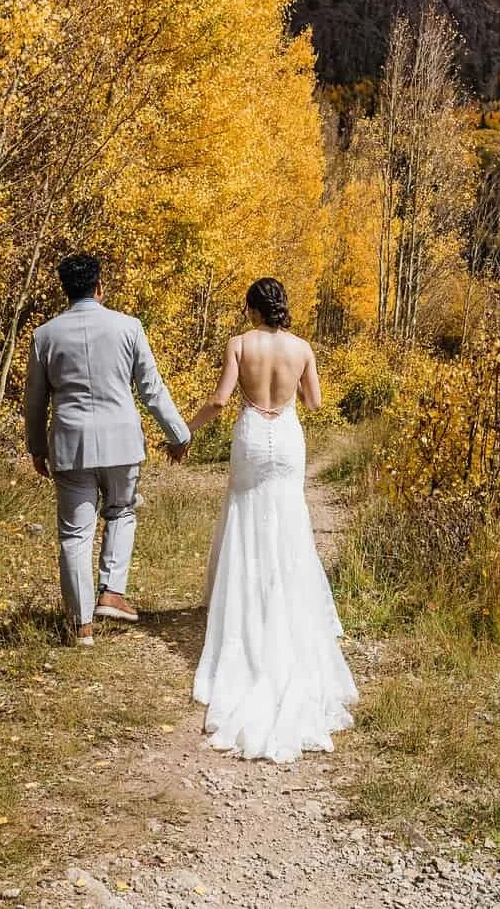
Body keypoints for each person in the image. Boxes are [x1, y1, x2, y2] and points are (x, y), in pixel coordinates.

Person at [185, 277, 357, 761]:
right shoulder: (302, 348)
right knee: (288, 521)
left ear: (253, 309)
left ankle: (246, 614)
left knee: (246, 520)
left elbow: (219, 402)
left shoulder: (239, 344)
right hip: (286, 439)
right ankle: (287, 609)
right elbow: (314, 403)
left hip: (250, 437)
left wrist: (185, 431)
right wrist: (293, 385)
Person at [23, 253, 190, 647]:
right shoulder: (128, 327)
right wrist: (178, 433)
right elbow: (151, 389)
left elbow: (35, 400)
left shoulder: (45, 335)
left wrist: (36, 447)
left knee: (74, 535)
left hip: (71, 444)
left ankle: (81, 627)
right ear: (99, 287)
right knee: (121, 511)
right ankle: (112, 592)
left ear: (65, 290)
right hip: (122, 442)